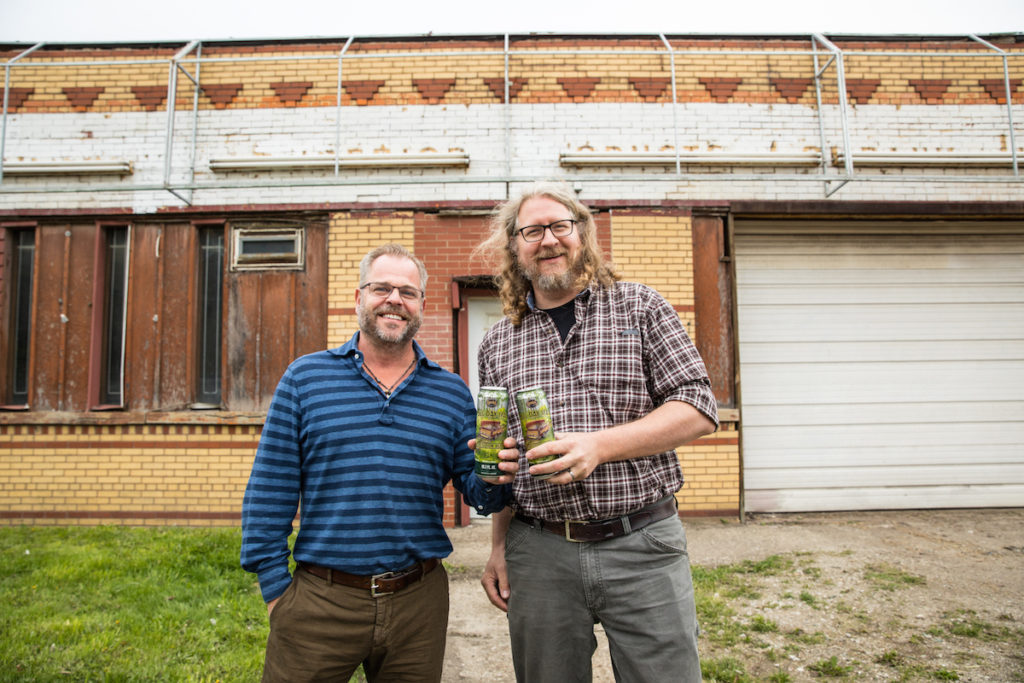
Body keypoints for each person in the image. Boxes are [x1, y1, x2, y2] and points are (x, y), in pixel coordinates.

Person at [475, 181, 719, 682]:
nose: (548, 240)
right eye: (531, 230)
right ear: (514, 248)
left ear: (581, 234)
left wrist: (599, 447)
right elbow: (506, 460)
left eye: (559, 226)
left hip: (643, 542)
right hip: (539, 549)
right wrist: (499, 548)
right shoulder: (499, 341)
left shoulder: (640, 307)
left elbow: (698, 406)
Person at [241, 243, 513, 682]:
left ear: (422, 305)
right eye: (381, 288)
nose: (394, 300)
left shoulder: (451, 393)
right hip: (320, 601)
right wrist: (277, 591)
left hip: (417, 605)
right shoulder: (306, 379)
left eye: (408, 292)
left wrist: (497, 473)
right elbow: (269, 490)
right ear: (358, 298)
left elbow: (478, 494)